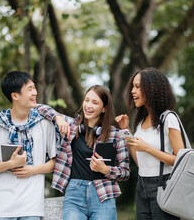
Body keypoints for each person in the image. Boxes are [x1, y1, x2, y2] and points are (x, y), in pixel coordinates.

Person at [0, 71, 61, 220]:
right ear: (15, 95)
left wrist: (33, 170)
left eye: (34, 88)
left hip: (31, 208)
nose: (35, 93)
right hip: (1, 209)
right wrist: (10, 164)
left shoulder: (44, 124)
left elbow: (57, 162)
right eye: (29, 89)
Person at [36, 85, 130, 220]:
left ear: (104, 108)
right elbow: (37, 107)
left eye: (95, 102)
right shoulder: (71, 126)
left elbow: (125, 173)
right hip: (75, 194)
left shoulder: (115, 134)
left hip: (104, 194)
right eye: (87, 100)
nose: (88, 105)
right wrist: (58, 118)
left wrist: (105, 169)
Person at [115, 68, 185, 220]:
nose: (133, 91)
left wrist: (146, 148)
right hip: (142, 185)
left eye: (138, 87)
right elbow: (141, 162)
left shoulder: (168, 118)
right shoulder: (141, 122)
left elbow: (180, 160)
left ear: (152, 89)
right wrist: (126, 131)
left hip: (163, 184)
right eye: (133, 86)